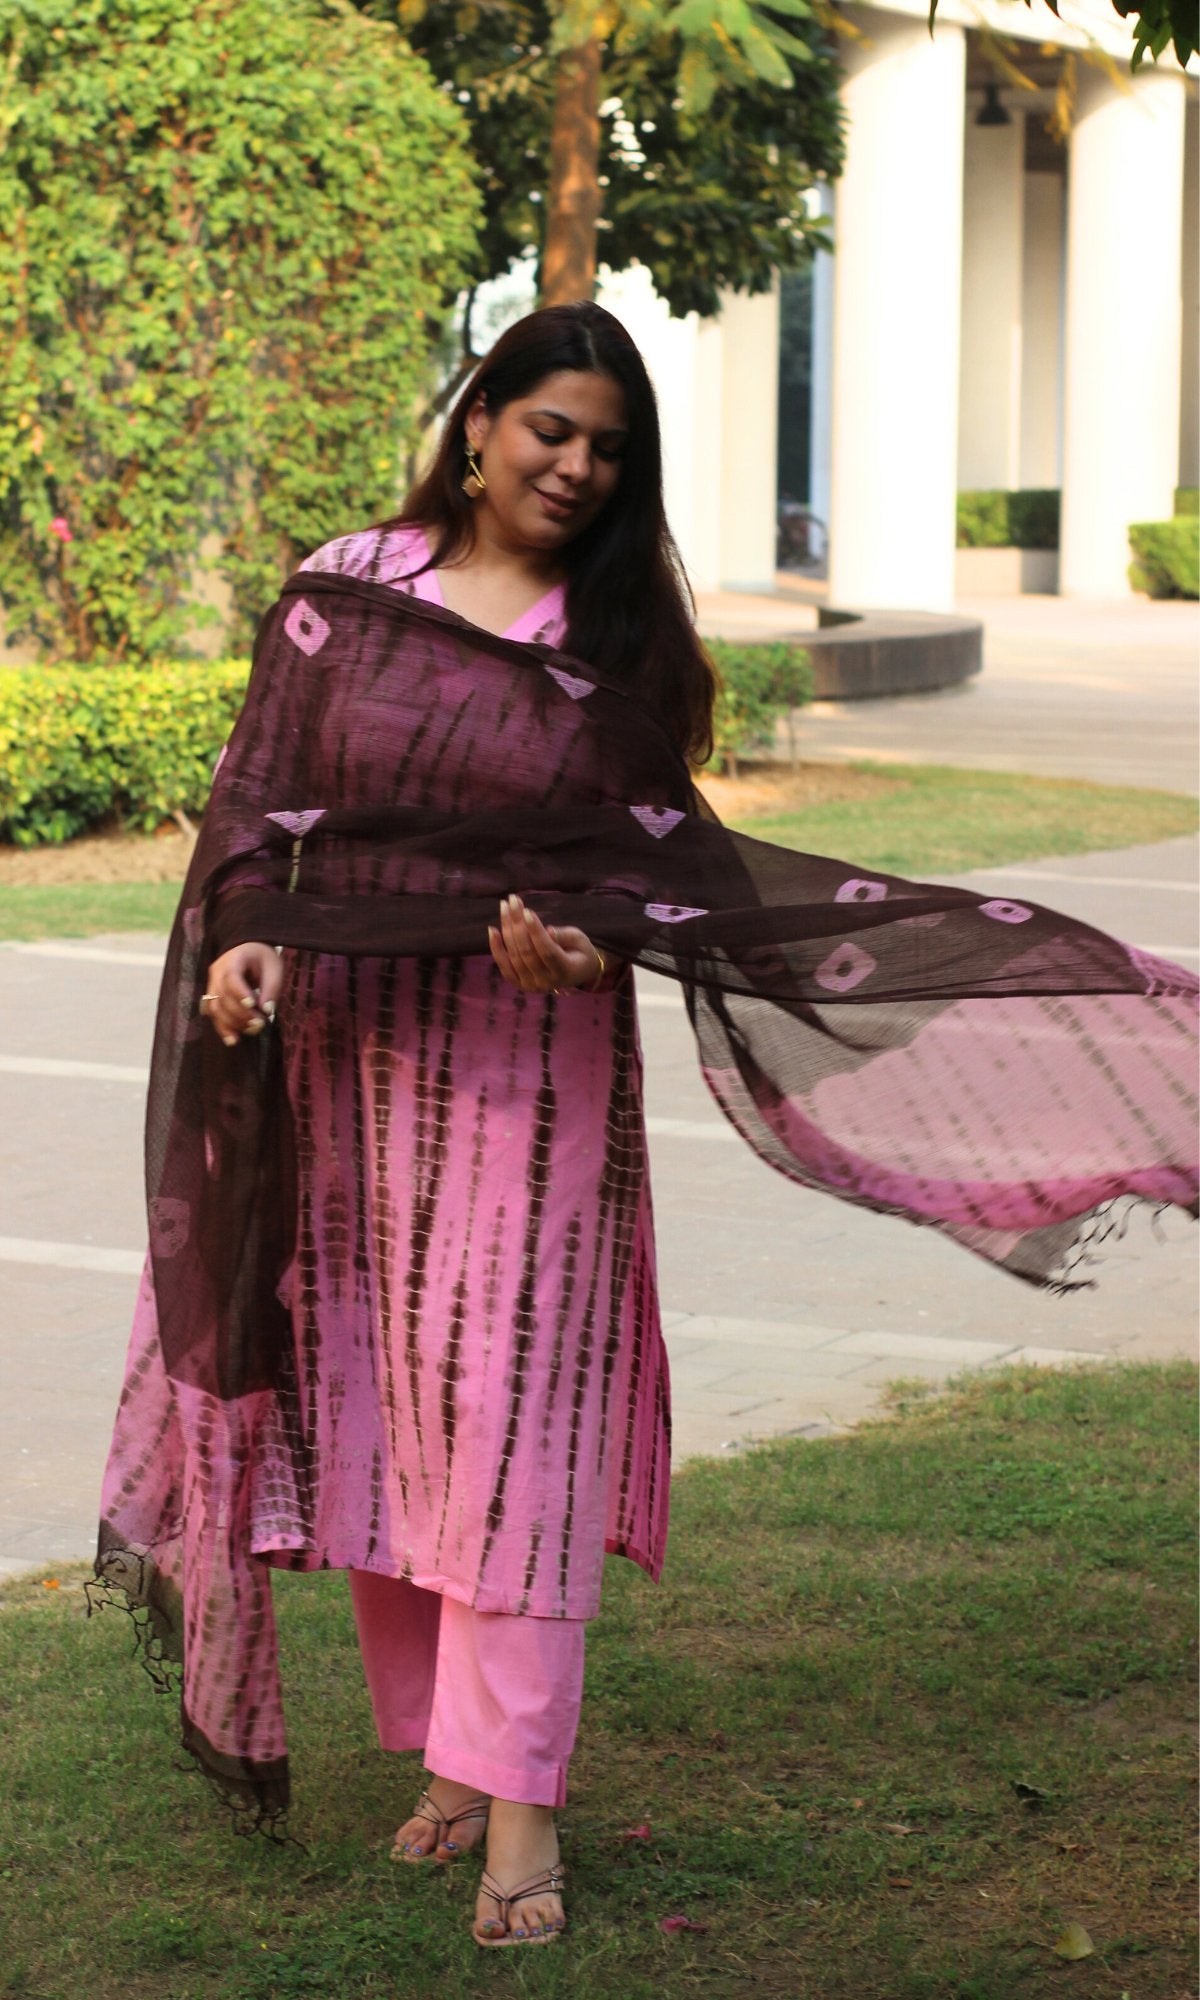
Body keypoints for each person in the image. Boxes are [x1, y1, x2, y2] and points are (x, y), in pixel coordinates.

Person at [92, 302, 1198, 1954]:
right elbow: (262, 808)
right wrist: (248, 935)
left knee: (514, 1416)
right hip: (355, 1059)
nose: (577, 468)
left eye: (610, 449)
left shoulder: (619, 639)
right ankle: (452, 1763)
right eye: (552, 431)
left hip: (531, 1077)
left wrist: (594, 938)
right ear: (480, 424)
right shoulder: (344, 594)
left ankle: (517, 1810)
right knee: (393, 1399)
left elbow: (652, 862)